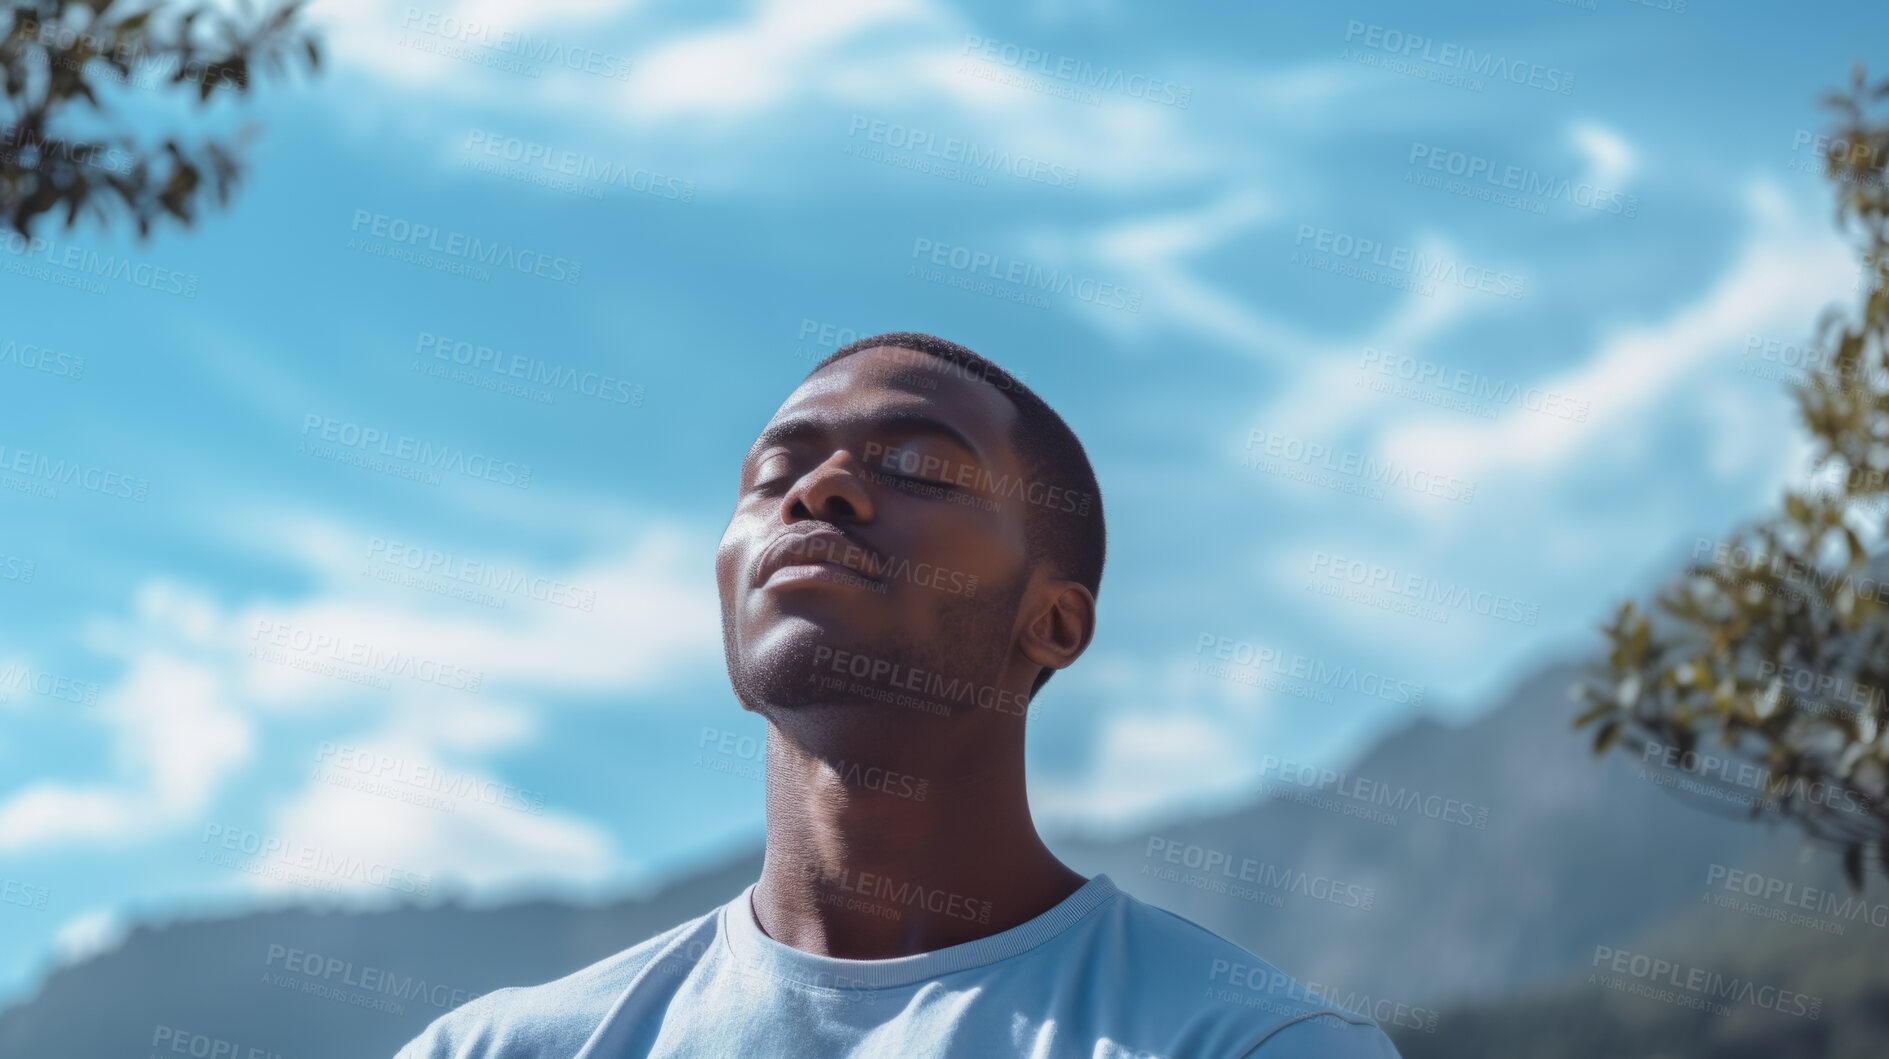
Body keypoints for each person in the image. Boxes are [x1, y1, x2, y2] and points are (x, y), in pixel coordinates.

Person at [394, 333, 1401, 1058]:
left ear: (1050, 620)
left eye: (920, 467)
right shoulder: (490, 1048)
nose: (819, 491)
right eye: (773, 473)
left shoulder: (1241, 1043)